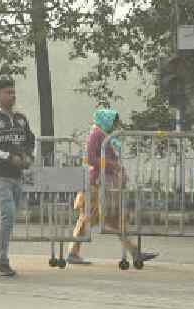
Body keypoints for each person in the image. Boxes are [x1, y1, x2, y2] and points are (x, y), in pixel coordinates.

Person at [66, 108, 157, 265]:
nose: (115, 125)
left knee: (115, 219)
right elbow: (90, 158)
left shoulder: (104, 135)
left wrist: (117, 169)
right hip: (96, 184)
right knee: (88, 218)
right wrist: (112, 165)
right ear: (106, 120)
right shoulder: (96, 134)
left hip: (106, 185)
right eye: (113, 121)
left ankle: (135, 252)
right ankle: (73, 252)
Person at [0, 78, 35, 277]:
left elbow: (30, 140)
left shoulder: (21, 117)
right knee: (8, 214)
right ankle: (0, 260)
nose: (12, 96)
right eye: (8, 92)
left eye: (13, 92)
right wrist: (8, 157)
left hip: (17, 176)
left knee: (7, 219)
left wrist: (28, 156)